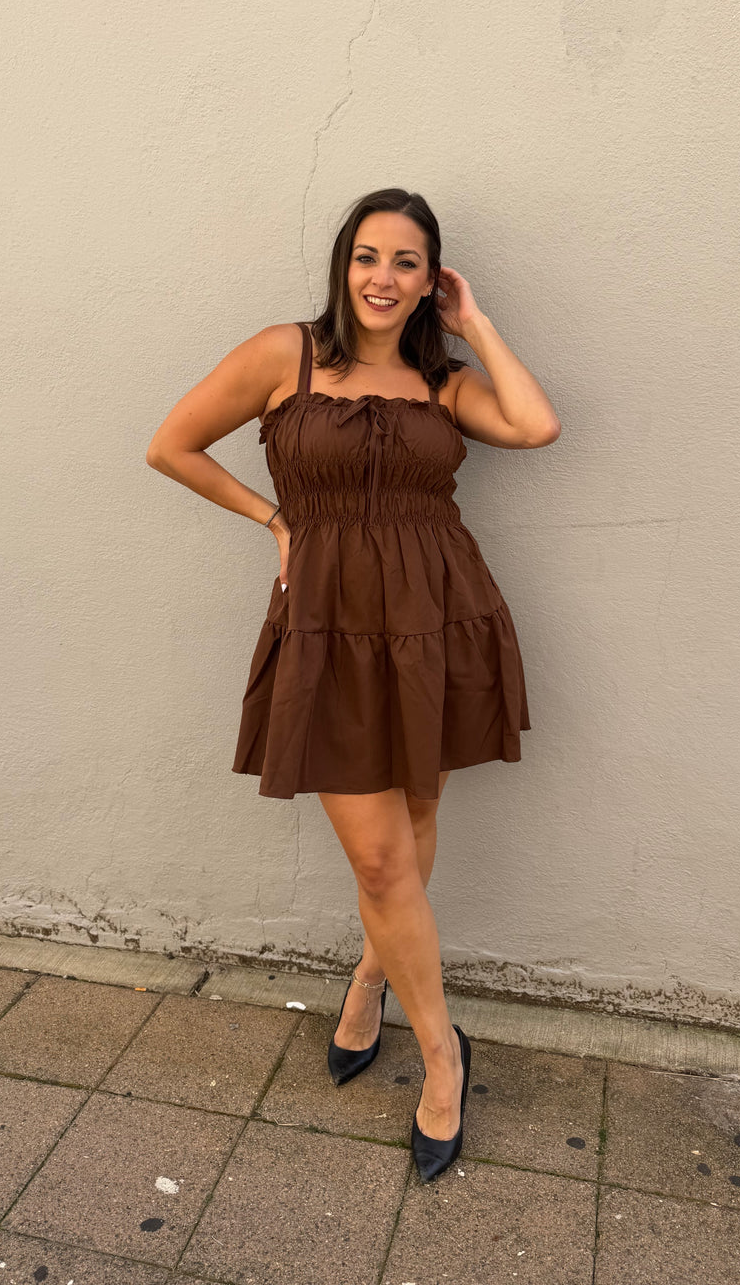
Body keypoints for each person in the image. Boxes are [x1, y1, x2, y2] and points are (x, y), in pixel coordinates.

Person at [146, 187, 561, 1182]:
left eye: (407, 262)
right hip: (329, 628)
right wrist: (274, 521)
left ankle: (371, 982)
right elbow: (170, 446)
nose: (383, 277)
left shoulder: (444, 381)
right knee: (380, 861)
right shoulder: (282, 355)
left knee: (414, 823)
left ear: (430, 280)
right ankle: (443, 1054)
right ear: (343, 265)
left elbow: (537, 425)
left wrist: (475, 324)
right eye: (368, 256)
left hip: (438, 618)